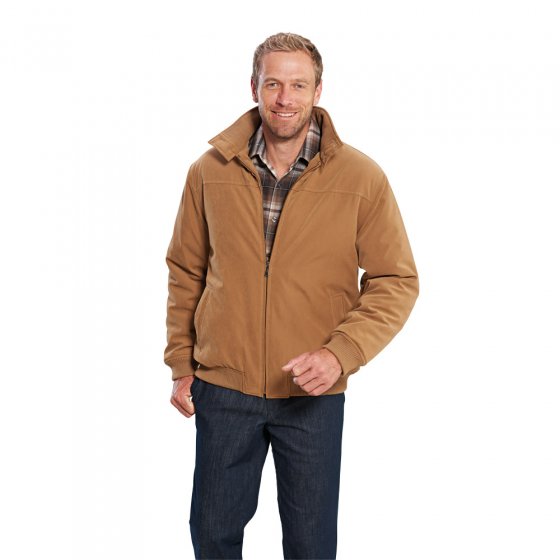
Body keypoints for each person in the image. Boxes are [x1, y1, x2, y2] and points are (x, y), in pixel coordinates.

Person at [164, 32, 419, 559]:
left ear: (318, 90)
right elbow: (186, 270)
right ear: (253, 87)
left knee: (310, 544)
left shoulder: (361, 177)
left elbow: (395, 279)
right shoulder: (208, 172)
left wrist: (340, 354)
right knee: (212, 535)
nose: (285, 98)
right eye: (273, 83)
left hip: (312, 392)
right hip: (223, 385)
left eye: (298, 85)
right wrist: (181, 364)